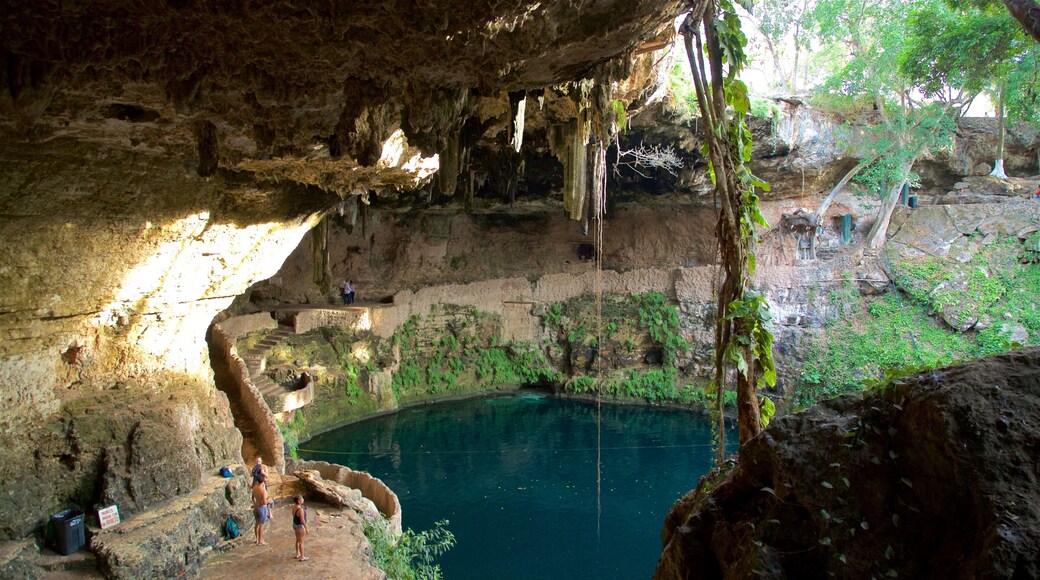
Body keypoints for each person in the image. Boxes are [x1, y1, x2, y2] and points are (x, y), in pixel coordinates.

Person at [251, 474, 271, 546]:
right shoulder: (263, 491)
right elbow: (264, 502)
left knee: (256, 523)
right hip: (262, 508)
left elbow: (252, 497)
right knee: (261, 525)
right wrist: (268, 499)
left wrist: (255, 503)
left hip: (256, 507)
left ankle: (256, 539)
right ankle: (260, 541)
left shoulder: (255, 487)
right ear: (262, 482)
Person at [292, 495, 309, 561]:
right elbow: (302, 520)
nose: (303, 499)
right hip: (299, 526)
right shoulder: (300, 510)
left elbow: (294, 515)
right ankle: (302, 556)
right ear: (299, 501)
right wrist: (306, 527)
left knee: (297, 540)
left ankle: (297, 554)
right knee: (301, 541)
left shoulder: (294, 506)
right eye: (302, 499)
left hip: (295, 524)